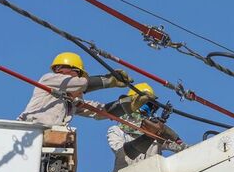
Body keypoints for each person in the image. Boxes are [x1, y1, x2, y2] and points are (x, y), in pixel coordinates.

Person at [18, 51, 146, 127]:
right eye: (76, 73)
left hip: (48, 134)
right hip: (30, 129)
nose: (78, 78)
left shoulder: (70, 100)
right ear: (59, 69)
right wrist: (110, 80)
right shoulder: (48, 79)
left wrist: (127, 105)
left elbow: (98, 111)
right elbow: (80, 84)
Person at [106, 82, 183, 172]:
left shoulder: (155, 131)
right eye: (142, 103)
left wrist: (163, 130)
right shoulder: (116, 131)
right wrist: (148, 135)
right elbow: (122, 153)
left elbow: (179, 147)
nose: (146, 108)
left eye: (150, 105)